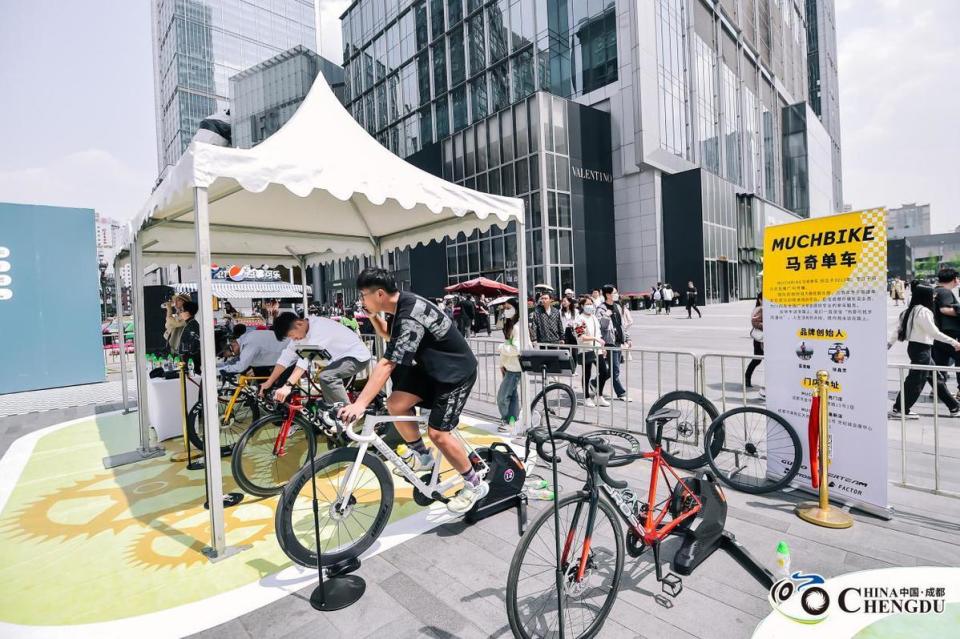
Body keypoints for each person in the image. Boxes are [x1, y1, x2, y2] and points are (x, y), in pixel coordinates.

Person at [338, 268, 485, 513]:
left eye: (363, 295)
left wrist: (360, 404)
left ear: (380, 293)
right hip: (431, 370)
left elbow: (388, 362)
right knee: (395, 404)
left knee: (439, 434)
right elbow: (389, 335)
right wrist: (373, 316)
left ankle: (474, 483)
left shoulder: (408, 315)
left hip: (455, 373)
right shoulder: (400, 305)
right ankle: (423, 456)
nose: (361, 300)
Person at [260, 311, 372, 406]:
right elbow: (285, 358)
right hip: (336, 360)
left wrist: (287, 386)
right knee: (326, 402)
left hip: (356, 356)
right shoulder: (301, 332)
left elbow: (305, 360)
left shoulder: (319, 327)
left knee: (327, 377)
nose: (293, 339)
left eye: (292, 335)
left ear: (299, 323)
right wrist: (269, 382)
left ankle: (349, 415)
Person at [889, 284, 960, 418]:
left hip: (915, 349)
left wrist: (888, 346)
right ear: (925, 296)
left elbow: (897, 331)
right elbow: (934, 332)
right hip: (922, 350)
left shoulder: (908, 311)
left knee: (935, 378)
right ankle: (899, 409)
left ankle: (954, 407)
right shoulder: (923, 312)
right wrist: (954, 342)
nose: (934, 297)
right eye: (932, 294)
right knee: (915, 382)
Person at [573, 296, 610, 407]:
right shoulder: (579, 319)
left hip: (597, 349)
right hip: (586, 350)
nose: (590, 306)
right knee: (587, 374)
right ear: (582, 306)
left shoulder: (594, 317)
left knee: (604, 371)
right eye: (587, 304)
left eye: (591, 303)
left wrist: (602, 347)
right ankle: (586, 397)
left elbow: (598, 333)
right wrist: (594, 339)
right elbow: (581, 336)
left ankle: (599, 396)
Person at [598, 284, 631, 401]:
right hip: (608, 342)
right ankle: (621, 393)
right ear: (607, 294)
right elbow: (601, 327)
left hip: (618, 341)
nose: (617, 294)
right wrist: (606, 316)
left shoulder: (617, 306)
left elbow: (622, 325)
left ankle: (594, 383)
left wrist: (627, 338)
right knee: (615, 369)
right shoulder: (601, 308)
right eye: (614, 292)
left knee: (612, 369)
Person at [218, 323, 287, 377]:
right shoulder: (246, 337)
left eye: (232, 352)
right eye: (232, 355)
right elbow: (237, 360)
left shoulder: (248, 344)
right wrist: (219, 366)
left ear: (232, 342)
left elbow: (240, 367)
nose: (234, 355)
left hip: (288, 351)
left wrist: (217, 371)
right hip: (286, 350)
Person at [933, 268, 960, 396]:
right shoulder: (945, 292)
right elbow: (945, 309)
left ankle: (938, 390)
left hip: (937, 334)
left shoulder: (935, 291)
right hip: (947, 334)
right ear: (954, 279)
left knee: (940, 363)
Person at [496, 300, 522, 433]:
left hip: (515, 367)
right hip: (509, 366)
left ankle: (507, 420)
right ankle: (512, 420)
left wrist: (501, 348)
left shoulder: (517, 327)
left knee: (502, 396)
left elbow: (517, 348)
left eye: (509, 308)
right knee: (512, 396)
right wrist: (502, 364)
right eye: (504, 308)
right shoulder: (510, 324)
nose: (506, 310)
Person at [177, 301, 203, 373]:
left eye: (181, 310)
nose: (179, 312)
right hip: (189, 363)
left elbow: (192, 347)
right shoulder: (191, 324)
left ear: (187, 313)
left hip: (190, 364)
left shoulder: (192, 325)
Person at [745, 293, 764, 389]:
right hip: (759, 339)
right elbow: (755, 323)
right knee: (757, 360)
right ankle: (747, 377)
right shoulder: (758, 309)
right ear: (760, 299)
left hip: (766, 340)